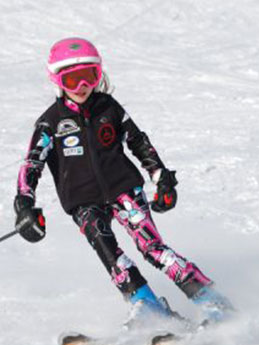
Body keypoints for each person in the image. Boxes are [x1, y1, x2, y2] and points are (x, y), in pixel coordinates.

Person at [14, 37, 233, 328]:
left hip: (124, 189)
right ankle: (145, 302)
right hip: (83, 201)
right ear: (56, 80)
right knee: (109, 253)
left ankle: (212, 300)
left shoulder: (109, 107)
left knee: (152, 247)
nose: (82, 88)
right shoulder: (50, 123)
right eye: (72, 80)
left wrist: (161, 178)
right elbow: (32, 163)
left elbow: (138, 142)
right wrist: (25, 205)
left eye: (89, 77)